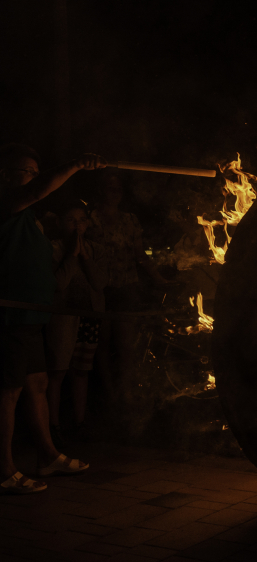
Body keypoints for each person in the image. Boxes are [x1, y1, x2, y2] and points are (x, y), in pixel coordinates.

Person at [0, 143, 105, 494]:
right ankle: (4, 469)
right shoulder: (6, 204)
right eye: (24, 171)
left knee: (38, 384)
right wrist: (76, 163)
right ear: (6, 176)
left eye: (34, 171)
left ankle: (47, 455)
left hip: (31, 317)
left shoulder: (30, 219)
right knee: (8, 391)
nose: (31, 178)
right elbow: (36, 190)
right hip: (9, 316)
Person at [87, 172, 167, 399]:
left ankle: (127, 393)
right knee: (101, 344)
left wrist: (159, 278)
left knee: (125, 345)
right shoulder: (90, 219)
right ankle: (109, 393)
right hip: (99, 288)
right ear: (101, 191)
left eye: (118, 190)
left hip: (125, 287)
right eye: (110, 189)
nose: (115, 194)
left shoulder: (129, 220)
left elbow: (140, 255)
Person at [45, 201, 107, 446]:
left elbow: (100, 283)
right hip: (62, 317)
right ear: (61, 223)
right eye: (71, 220)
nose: (77, 225)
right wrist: (72, 256)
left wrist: (85, 257)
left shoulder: (96, 249)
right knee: (57, 371)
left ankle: (80, 423)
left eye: (81, 220)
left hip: (89, 315)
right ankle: (52, 425)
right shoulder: (53, 249)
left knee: (81, 371)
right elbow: (57, 284)